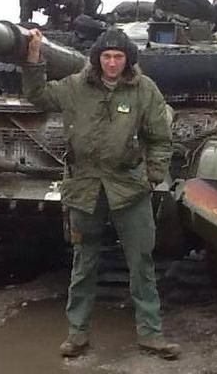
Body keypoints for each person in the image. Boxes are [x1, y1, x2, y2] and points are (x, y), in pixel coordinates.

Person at [22, 28, 181, 360]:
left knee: (141, 262)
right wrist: (34, 57)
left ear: (127, 60)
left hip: (130, 188)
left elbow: (160, 138)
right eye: (106, 56)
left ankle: (151, 334)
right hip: (85, 187)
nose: (111, 63)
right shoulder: (75, 87)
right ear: (97, 59)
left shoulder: (144, 89)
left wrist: (152, 176)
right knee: (84, 262)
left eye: (118, 56)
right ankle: (77, 334)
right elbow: (37, 96)